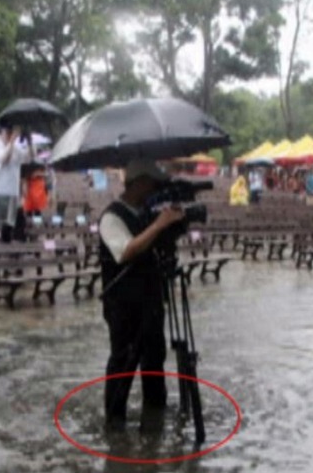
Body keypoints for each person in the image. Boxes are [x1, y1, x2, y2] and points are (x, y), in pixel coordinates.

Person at [98, 159, 185, 427]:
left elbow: (158, 244)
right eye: (151, 182)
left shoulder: (145, 213)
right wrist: (159, 225)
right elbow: (125, 251)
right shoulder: (111, 217)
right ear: (138, 183)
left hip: (150, 298)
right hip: (123, 303)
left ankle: (154, 419)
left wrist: (173, 224)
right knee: (123, 363)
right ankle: (114, 424)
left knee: (154, 359)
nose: (154, 188)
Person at [0, 126, 33, 243]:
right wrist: (12, 141)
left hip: (12, 192)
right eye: (8, 132)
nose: (10, 134)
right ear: (2, 132)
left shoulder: (15, 148)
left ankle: (5, 251)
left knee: (9, 225)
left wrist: (29, 142)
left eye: (12, 132)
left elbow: (29, 158)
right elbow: (4, 159)